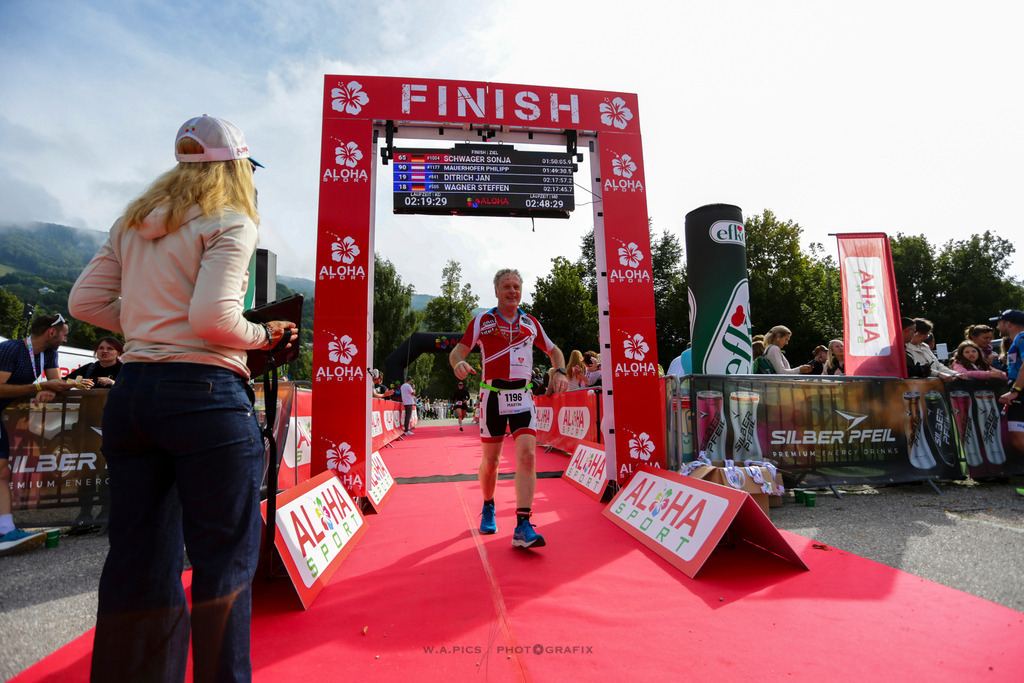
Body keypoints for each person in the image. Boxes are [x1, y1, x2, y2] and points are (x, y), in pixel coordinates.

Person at [69, 115, 295, 682]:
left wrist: (148, 327)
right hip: (206, 397)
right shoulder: (232, 219)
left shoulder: (132, 222)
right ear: (237, 166)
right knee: (224, 563)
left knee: (137, 560)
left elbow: (84, 303)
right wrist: (263, 336)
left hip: (135, 393)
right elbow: (214, 318)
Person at [449, 268, 568, 549]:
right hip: (492, 396)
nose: (512, 291)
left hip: (523, 397)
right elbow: (458, 350)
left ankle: (523, 524)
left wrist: (560, 371)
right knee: (491, 463)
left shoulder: (530, 322)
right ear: (497, 291)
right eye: (506, 286)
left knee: (527, 457)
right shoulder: (483, 320)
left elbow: (554, 350)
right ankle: (488, 505)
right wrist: (458, 364)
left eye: (516, 286)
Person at [0, 314, 77, 556]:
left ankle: (5, 530)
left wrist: (52, 390)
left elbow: (56, 382)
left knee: (2, 471)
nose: (65, 339)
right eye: (64, 334)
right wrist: (40, 387)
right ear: (51, 333)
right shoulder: (10, 349)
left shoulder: (48, 353)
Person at [992, 309, 1024, 453]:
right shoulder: (1017, 340)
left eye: (998, 323)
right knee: (1016, 436)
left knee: (1017, 437)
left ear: (1008, 323)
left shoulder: (1022, 338)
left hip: (1020, 390)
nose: (997, 327)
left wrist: (1015, 390)